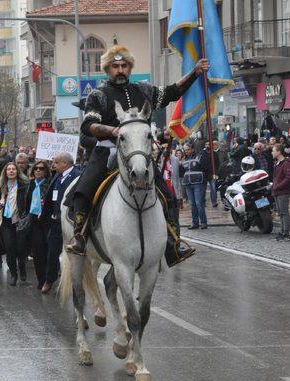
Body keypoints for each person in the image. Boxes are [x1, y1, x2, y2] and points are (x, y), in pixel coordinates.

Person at [67, 44, 206, 267]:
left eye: (124, 65)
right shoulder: (98, 95)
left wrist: (195, 73)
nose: (120, 70)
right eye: (115, 66)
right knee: (83, 190)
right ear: (107, 69)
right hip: (108, 149)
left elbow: (172, 91)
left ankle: (173, 243)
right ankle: (80, 236)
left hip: (139, 152)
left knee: (168, 195)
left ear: (130, 67)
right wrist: (112, 131)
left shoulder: (143, 90)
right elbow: (89, 124)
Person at [41, 153, 81, 294]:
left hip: (71, 222)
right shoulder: (57, 176)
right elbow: (51, 197)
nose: (53, 165)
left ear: (64, 163)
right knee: (52, 252)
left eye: (56, 163)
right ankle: (49, 279)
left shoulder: (78, 176)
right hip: (55, 221)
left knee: (73, 254)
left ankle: (74, 283)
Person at [0, 162, 29, 286]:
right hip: (5, 221)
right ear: (5, 172)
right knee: (9, 248)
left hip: (19, 221)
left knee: (20, 248)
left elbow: (27, 203)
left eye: (14, 169)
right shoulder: (1, 187)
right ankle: (13, 274)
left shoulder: (24, 186)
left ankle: (22, 267)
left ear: (17, 171)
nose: (11, 171)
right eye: (8, 169)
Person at [26, 160, 51, 290]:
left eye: (41, 168)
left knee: (47, 251)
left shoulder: (49, 185)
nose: (38, 170)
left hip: (47, 221)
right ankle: (41, 279)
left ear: (46, 171)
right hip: (33, 221)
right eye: (36, 168)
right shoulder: (29, 185)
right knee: (37, 252)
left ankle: (49, 277)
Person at [181, 143, 210, 229]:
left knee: (199, 203)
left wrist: (205, 180)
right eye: (185, 150)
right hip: (188, 184)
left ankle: (204, 222)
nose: (186, 152)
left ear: (192, 149)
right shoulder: (184, 159)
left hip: (198, 182)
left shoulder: (199, 157)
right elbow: (183, 171)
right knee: (192, 204)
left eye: (188, 150)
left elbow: (206, 168)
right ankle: (195, 223)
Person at [272, 144, 290, 241]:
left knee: (284, 212)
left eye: (273, 150)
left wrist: (278, 186)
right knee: (280, 213)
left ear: (279, 152)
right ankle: (282, 231)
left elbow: (288, 178)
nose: (272, 152)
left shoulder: (286, 163)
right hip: (277, 191)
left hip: (283, 192)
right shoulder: (277, 163)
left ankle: (286, 234)